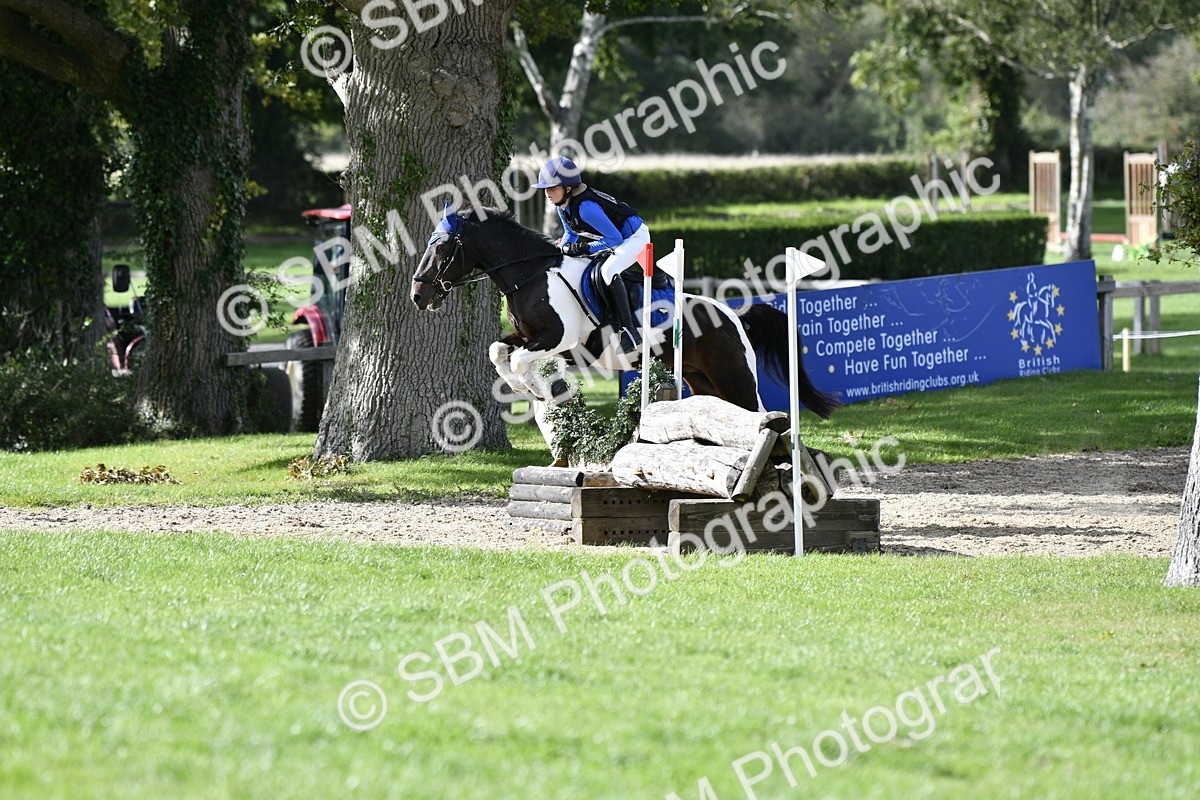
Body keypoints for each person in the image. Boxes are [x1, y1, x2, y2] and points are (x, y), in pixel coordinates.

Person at [536, 156, 651, 355]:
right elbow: (571, 235)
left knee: (608, 271)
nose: (548, 193)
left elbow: (614, 239)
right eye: (546, 189)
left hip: (634, 237)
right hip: (616, 238)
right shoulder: (563, 206)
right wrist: (557, 253)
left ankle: (630, 332)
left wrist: (583, 249)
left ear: (568, 188)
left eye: (553, 188)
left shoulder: (585, 208)